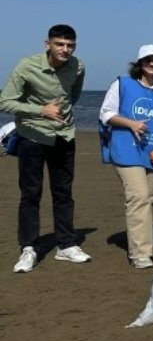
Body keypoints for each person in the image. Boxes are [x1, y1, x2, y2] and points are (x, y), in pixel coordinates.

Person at [1, 24, 89, 273]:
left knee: (63, 193)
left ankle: (66, 245)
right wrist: (41, 110)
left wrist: (60, 113)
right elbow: (5, 101)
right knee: (31, 194)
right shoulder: (27, 66)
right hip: (32, 137)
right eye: (59, 44)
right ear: (47, 44)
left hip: (64, 136)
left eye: (70, 45)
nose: (65, 49)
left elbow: (74, 95)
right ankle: (28, 248)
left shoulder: (78, 66)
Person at [99, 44, 153, 268]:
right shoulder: (123, 84)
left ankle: (142, 243)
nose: (151, 63)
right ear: (139, 63)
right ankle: (140, 253)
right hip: (126, 151)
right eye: (147, 60)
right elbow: (106, 113)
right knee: (138, 197)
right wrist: (131, 123)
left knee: (148, 199)